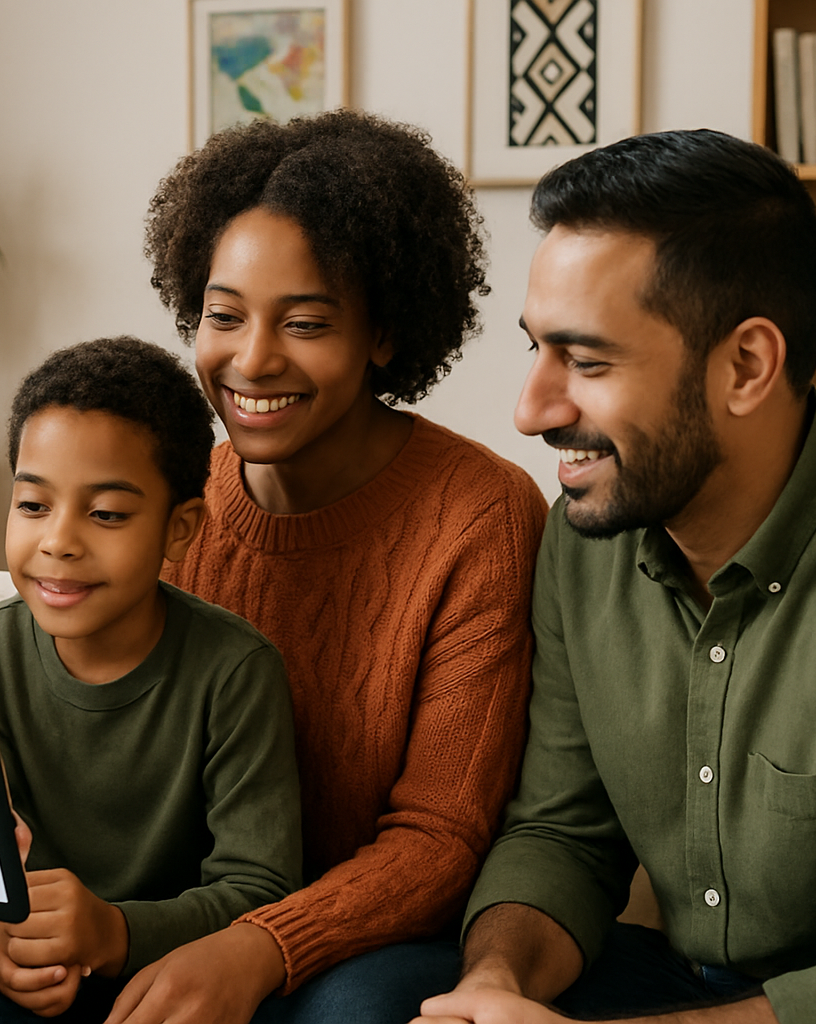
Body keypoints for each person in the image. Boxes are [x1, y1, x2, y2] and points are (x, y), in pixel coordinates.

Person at [415, 129, 816, 1024]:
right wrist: (493, 988)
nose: (531, 409)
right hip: (665, 980)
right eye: (537, 349)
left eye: (589, 361)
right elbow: (561, 834)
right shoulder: (585, 539)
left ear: (746, 366)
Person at [109, 111, 549, 1024]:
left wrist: (264, 947)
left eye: (305, 322)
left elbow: (440, 837)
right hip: (180, 914)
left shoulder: (483, 518)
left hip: (377, 939)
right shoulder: (171, 491)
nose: (252, 359)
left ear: (383, 334)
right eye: (222, 316)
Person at [0, 337, 302, 1024]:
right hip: (35, 968)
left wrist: (113, 933)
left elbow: (258, 886)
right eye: (33, 505)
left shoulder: (235, 670)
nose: (59, 541)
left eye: (106, 513)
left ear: (180, 528)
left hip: (176, 970)